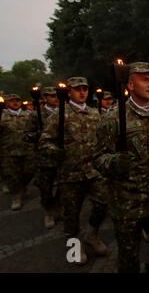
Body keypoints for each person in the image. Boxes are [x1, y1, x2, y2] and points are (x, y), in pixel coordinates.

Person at [94, 62, 149, 273]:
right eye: (145, 79)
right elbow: (97, 158)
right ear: (130, 84)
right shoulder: (113, 118)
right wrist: (113, 162)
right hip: (126, 201)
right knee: (128, 257)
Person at [39, 77, 109, 264]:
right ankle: (74, 248)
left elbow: (103, 139)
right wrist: (56, 152)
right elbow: (44, 142)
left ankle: (92, 234)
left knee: (104, 202)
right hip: (70, 174)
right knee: (71, 214)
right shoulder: (59, 115)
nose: (82, 92)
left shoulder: (95, 114)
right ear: (69, 91)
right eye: (78, 89)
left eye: (85, 88)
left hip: (93, 171)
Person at [27, 87, 62, 228]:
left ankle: (58, 206)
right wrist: (39, 134)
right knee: (46, 188)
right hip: (44, 158)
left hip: (61, 156)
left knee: (63, 186)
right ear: (45, 98)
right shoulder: (36, 115)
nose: (55, 98)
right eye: (51, 96)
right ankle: (48, 211)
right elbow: (26, 135)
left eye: (56, 95)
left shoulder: (65, 111)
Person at [0, 94, 35, 210]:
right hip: (9, 151)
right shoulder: (2, 116)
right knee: (12, 175)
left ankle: (23, 186)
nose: (15, 103)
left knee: (30, 171)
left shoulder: (29, 115)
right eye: (12, 101)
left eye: (17, 100)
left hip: (28, 150)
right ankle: (16, 196)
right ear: (6, 103)